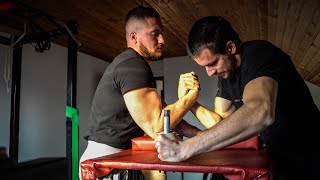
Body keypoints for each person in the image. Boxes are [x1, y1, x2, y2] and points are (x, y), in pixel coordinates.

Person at [155, 16, 320, 180]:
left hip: (309, 155)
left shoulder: (258, 55)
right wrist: (190, 102)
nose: (209, 72)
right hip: (276, 157)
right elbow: (222, 125)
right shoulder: (227, 76)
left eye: (212, 63)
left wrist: (183, 149)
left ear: (230, 47)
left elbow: (259, 112)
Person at [79, 6, 201, 180]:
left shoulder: (133, 65)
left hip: (116, 157)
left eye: (162, 33)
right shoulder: (133, 66)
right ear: (134, 37)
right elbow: (157, 127)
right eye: (154, 34)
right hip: (105, 161)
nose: (162, 40)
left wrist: (203, 137)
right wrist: (191, 97)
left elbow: (165, 114)